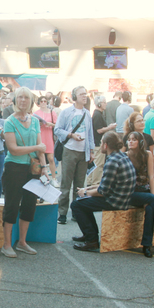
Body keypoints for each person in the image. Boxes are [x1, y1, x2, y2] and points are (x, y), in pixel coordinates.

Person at [1, 87, 51, 257]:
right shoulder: (9, 121)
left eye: (26, 98)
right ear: (15, 100)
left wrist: (44, 168)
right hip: (14, 168)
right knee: (12, 205)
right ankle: (7, 244)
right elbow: (13, 149)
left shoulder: (35, 121)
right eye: (20, 97)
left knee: (29, 205)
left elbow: (41, 150)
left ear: (31, 101)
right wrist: (37, 147)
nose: (23, 100)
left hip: (33, 169)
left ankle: (22, 242)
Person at [71, 132, 136, 251]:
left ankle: (91, 240)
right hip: (122, 197)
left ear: (105, 145)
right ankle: (89, 235)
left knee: (76, 204)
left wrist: (84, 193)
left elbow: (103, 191)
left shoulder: (111, 162)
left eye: (101, 143)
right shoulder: (122, 156)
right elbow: (107, 184)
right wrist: (88, 189)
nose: (100, 145)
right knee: (84, 202)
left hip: (115, 201)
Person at [54, 86, 94, 224]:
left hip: (84, 152)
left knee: (79, 184)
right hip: (69, 150)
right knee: (66, 183)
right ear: (74, 97)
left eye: (85, 94)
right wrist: (71, 135)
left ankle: (77, 211)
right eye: (81, 94)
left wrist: (92, 151)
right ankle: (62, 213)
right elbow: (57, 129)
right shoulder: (66, 112)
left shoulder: (87, 113)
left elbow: (90, 134)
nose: (85, 96)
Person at [86, 95, 116, 187]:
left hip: (97, 143)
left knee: (95, 164)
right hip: (98, 143)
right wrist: (109, 128)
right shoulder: (97, 115)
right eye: (104, 102)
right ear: (99, 104)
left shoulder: (98, 114)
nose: (106, 104)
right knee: (98, 164)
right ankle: (95, 183)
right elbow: (99, 130)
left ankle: (90, 182)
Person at [34, 95, 60, 186]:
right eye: (41, 101)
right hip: (40, 135)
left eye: (45, 101)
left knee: (51, 158)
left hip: (49, 136)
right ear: (39, 103)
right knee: (41, 159)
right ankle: (44, 179)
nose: (43, 103)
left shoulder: (52, 112)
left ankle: (54, 178)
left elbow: (57, 125)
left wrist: (50, 124)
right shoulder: (36, 113)